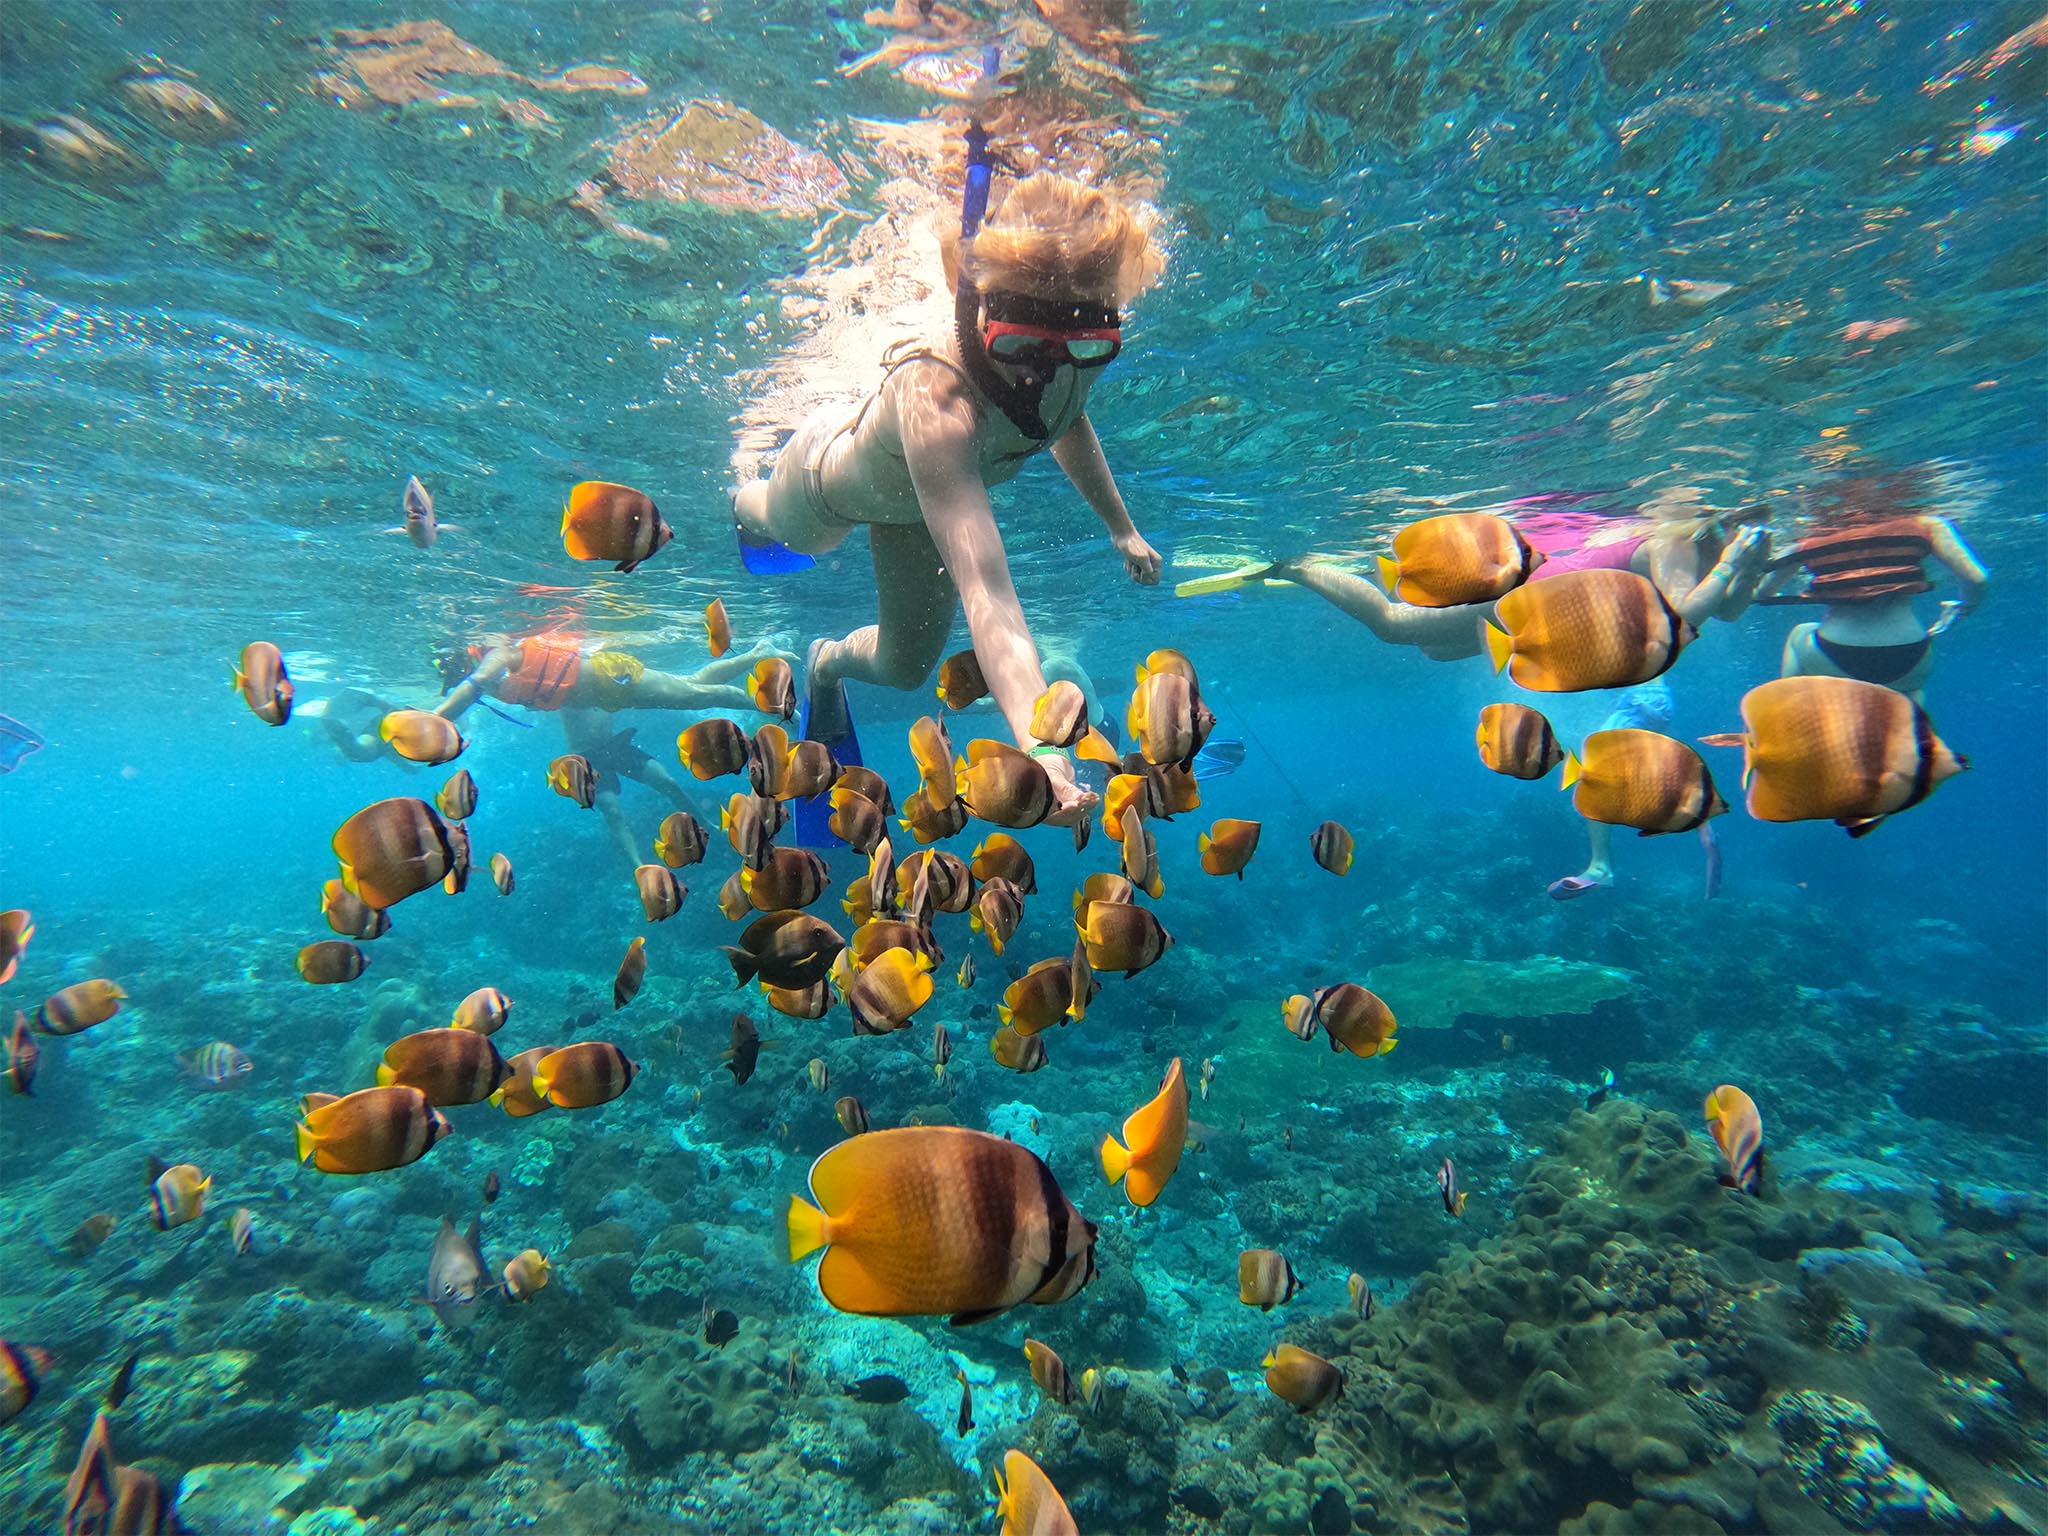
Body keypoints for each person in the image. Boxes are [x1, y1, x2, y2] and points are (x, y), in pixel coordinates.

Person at [732, 167, 1166, 826]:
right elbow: (987, 589)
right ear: (977, 307)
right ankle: (742, 490)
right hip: (827, 487)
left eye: (1084, 348)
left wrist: (1120, 526)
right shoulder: (938, 395)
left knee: (906, 667)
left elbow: (1064, 419)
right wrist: (1043, 751)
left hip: (915, 510)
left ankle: (825, 662)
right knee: (787, 526)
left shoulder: (1064, 352)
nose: (1043, 371)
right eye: (1021, 344)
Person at [1200, 498, 1776, 898]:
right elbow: (1686, 614)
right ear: (1722, 524)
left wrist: (1745, 571)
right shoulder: (1677, 536)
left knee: (1437, 649)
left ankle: (1320, 575)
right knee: (1397, 625)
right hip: (1539, 597)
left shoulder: (1706, 553)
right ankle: (1299, 565)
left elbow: (1725, 609)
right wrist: (1732, 564)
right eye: (1740, 533)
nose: (1742, 540)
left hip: (1557, 616)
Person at [430, 629, 787, 871]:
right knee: (691, 687)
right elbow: (475, 689)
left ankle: (769, 703)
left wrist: (433, 720)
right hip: (590, 756)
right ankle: (640, 868)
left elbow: (475, 683)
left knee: (693, 696)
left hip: (613, 694)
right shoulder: (503, 678)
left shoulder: (503, 656)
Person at [1758, 472, 1989, 701]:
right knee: (1910, 692)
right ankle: (1913, 715)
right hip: (1911, 656)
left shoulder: (1807, 542)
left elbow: (1762, 592)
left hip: (1835, 655)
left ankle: (1791, 711)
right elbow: (1977, 578)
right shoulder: (1927, 524)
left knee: (1799, 633)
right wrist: (1963, 607)